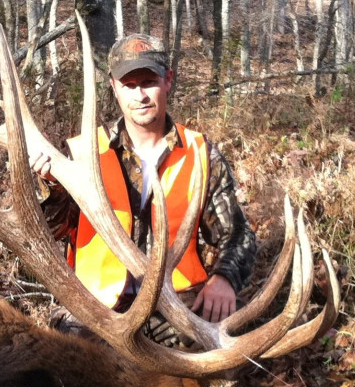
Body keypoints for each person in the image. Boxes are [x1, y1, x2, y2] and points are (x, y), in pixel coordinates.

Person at [30, 34, 256, 347]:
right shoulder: (82, 153)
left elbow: (237, 235)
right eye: (129, 85)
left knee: (219, 356)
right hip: (97, 308)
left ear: (168, 80)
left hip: (176, 305)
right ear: (113, 86)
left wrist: (225, 279)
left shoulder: (201, 154)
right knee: (66, 370)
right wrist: (52, 188)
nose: (140, 95)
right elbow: (53, 229)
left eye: (148, 81)